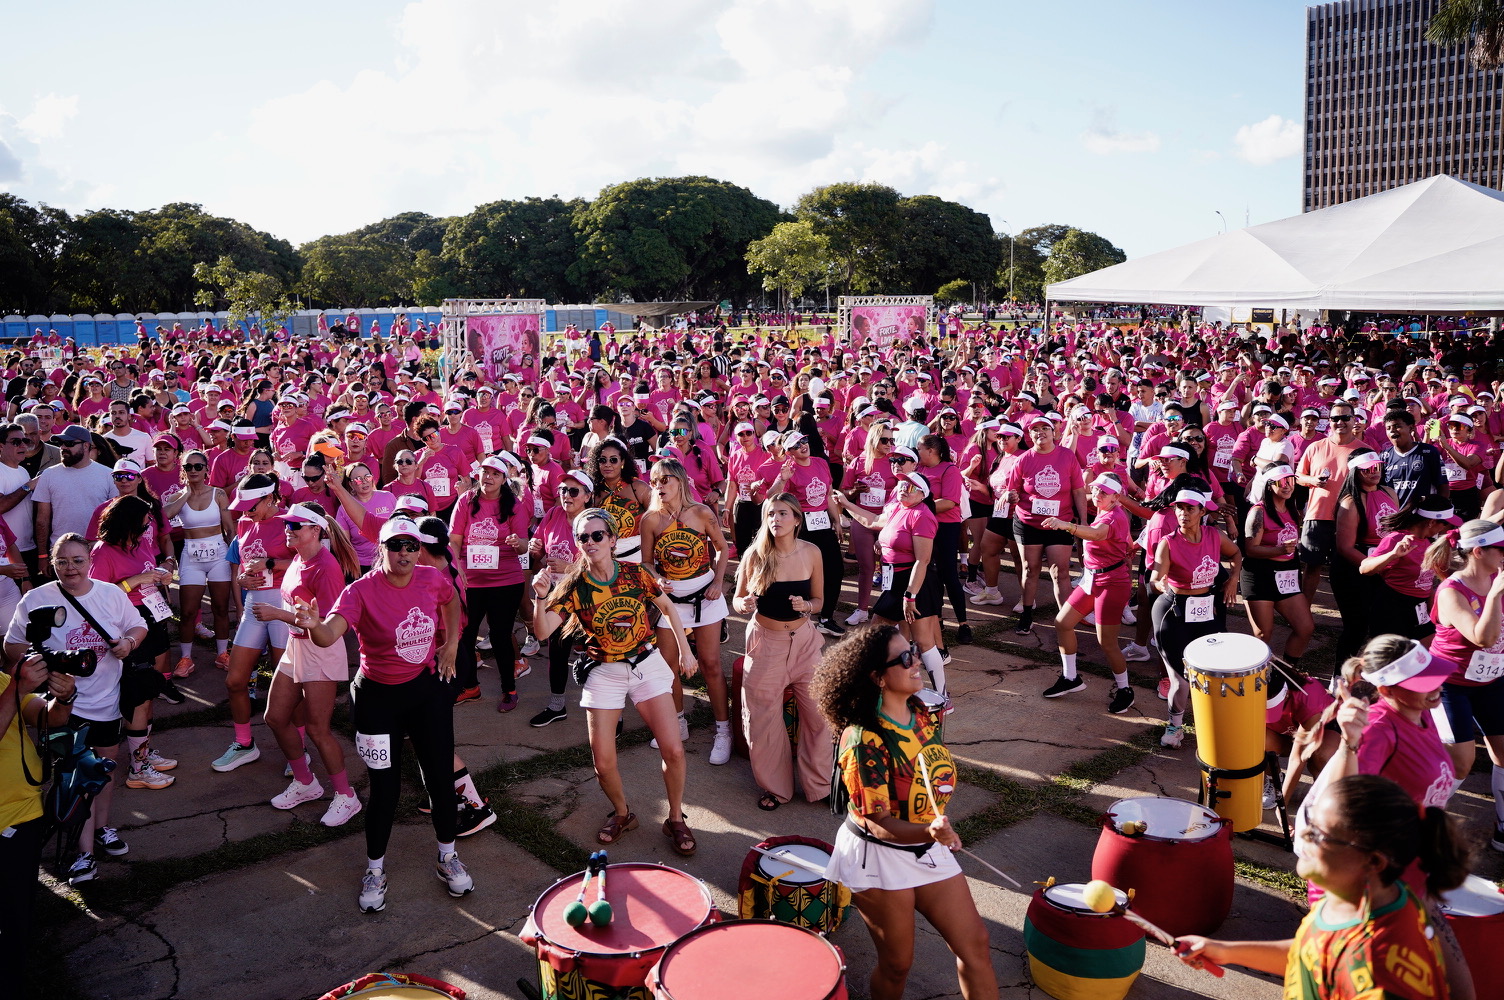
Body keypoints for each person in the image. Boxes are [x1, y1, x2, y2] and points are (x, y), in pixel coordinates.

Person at [292, 516, 471, 912]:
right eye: (396, 546)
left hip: (425, 692)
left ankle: (447, 857)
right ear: (382, 550)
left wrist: (451, 642)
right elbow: (327, 635)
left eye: (410, 545)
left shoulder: (429, 577)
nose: (404, 552)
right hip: (377, 699)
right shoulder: (360, 591)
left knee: (440, 780)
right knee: (385, 790)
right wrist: (309, 624)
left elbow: (452, 599)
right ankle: (375, 869)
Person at [815, 624, 996, 1000]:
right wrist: (931, 834)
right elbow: (878, 824)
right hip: (878, 855)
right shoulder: (863, 739)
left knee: (975, 945)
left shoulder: (921, 712)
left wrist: (931, 831)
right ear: (878, 678)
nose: (916, 661)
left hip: (925, 841)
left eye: (912, 650)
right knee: (898, 964)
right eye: (903, 658)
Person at [1174, 773, 1465, 1000]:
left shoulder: (1378, 968)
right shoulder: (1348, 896)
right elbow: (1315, 952)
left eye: (1320, 834)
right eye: (1308, 822)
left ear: (1373, 862)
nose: (1303, 834)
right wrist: (1225, 951)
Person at [529, 508, 700, 854]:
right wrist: (540, 596)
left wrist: (685, 651)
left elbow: (667, 608)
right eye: (583, 537)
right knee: (603, 762)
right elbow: (544, 630)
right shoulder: (574, 587)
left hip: (645, 663)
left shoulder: (636, 574)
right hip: (603, 670)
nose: (590, 542)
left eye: (597, 535)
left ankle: (676, 818)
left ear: (612, 539)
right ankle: (623, 813)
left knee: (674, 749)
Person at [3, 534, 148, 885]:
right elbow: (12, 645)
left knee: (106, 770)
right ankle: (83, 855)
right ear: (52, 563)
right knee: (77, 777)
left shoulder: (111, 594)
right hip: (62, 706)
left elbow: (138, 625)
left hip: (107, 701)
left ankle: (102, 828)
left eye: (78, 560)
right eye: (62, 561)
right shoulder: (37, 599)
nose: (71, 568)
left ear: (89, 562)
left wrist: (128, 644)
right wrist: (36, 666)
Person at [248, 502, 362, 827]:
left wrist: (279, 615)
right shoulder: (300, 557)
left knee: (317, 729)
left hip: (320, 652)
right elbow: (286, 578)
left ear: (315, 530)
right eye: (287, 524)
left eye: (295, 525)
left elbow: (327, 623)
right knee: (275, 717)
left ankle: (346, 796)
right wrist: (252, 577)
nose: (288, 529)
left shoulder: (327, 567)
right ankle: (306, 783)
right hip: (295, 648)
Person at [732, 492, 833, 810]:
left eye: (783, 513)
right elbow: (736, 599)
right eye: (770, 513)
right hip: (766, 646)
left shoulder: (812, 552)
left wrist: (808, 606)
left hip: (804, 644)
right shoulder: (755, 554)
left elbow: (819, 600)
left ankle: (820, 785)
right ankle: (776, 788)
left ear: (797, 519)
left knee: (820, 716)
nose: (775, 519)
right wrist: (743, 603)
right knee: (763, 720)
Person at [639, 457, 733, 765]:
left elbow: (722, 548)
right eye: (654, 481)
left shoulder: (702, 512)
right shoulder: (650, 520)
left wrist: (719, 582)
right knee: (669, 667)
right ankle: (678, 722)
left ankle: (723, 730)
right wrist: (656, 578)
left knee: (710, 664)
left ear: (680, 480)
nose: (659, 486)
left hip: (705, 595)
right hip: (671, 602)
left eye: (664, 479)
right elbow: (647, 561)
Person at [1424, 518, 1504, 847]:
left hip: (1491, 680)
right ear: (1478, 551)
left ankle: (1503, 830)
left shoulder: (1496, 578)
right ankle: (1418, 828)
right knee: (1461, 762)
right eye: (1501, 549)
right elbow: (1482, 638)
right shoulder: (1451, 591)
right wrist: (1497, 595)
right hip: (1447, 682)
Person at [834, 472, 947, 700]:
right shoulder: (898, 507)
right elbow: (874, 521)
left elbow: (922, 560)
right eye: (903, 484)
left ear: (923, 494)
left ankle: (943, 696)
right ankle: (888, 687)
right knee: (882, 635)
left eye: (911, 487)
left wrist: (910, 596)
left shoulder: (922, 515)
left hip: (914, 583)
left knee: (923, 641)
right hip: (895, 580)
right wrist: (846, 503)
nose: (904, 488)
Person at [1149, 482, 1242, 748]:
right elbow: (1156, 575)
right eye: (1179, 507)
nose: (1183, 513)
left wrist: (1232, 579)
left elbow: (1236, 553)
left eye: (1190, 508)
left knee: (1212, 672)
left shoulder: (1213, 536)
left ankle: (1212, 724)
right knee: (1180, 680)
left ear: (1202, 511)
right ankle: (1175, 727)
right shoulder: (1168, 543)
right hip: (1172, 612)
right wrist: (1159, 582)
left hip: (1204, 609)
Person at [0, 651, 75, 980]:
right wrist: (16, 688)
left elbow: (49, 718)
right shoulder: (8, 685)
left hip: (23, 816)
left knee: (16, 924)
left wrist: (64, 698)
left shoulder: (1, 681)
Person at [213, 473, 294, 772]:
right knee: (235, 680)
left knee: (286, 684)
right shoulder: (245, 523)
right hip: (253, 605)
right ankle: (244, 744)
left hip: (283, 606)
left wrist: (272, 564)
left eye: (251, 505)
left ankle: (295, 750)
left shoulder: (289, 521)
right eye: (243, 505)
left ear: (269, 497)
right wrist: (242, 579)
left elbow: (311, 560)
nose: (244, 511)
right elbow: (241, 568)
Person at [1040, 473, 1136, 713]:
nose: (1097, 494)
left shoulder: (1113, 517)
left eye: (1104, 492)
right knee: (1063, 623)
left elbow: (1097, 534)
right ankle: (1071, 678)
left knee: (1108, 643)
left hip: (1112, 583)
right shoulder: (1103, 511)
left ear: (1116, 496)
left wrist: (1067, 526)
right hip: (1092, 579)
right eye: (1095, 490)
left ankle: (1125, 689)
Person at [448, 455, 531, 711]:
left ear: (504, 479)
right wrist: (458, 567)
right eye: (484, 472)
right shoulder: (466, 501)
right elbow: (454, 539)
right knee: (466, 635)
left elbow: (524, 545)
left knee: (500, 636)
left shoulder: (513, 505)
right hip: (471, 581)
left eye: (495, 474)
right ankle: (471, 686)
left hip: (505, 581)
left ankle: (509, 689)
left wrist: (518, 544)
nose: (488, 477)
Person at [1002, 417, 1087, 635]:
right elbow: (1013, 491)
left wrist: (1083, 521)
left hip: (1060, 523)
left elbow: (1078, 490)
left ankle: (1066, 618)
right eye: (1035, 429)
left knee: (1061, 572)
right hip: (1028, 522)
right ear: (1030, 436)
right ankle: (1027, 613)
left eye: (1045, 428)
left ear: (1054, 432)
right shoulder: (1022, 460)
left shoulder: (1067, 456)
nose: (1041, 432)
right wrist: (1011, 497)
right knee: (1030, 570)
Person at [1240, 464, 1315, 667]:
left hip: (1286, 575)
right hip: (1260, 575)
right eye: (1282, 482)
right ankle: (1250, 674)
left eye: (1290, 481)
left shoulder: (1292, 509)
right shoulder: (1258, 512)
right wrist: (1281, 550)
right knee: (1263, 633)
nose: (1287, 486)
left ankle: (1288, 670)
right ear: (1270, 485)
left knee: (1305, 627)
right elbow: (1250, 549)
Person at [34, 425, 116, 576]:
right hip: (60, 553)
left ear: (86, 446)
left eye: (70, 444)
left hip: (97, 552)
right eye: (61, 444)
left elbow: (114, 519)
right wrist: (42, 556)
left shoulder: (108, 475)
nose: (63, 447)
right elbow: (42, 520)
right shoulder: (48, 475)